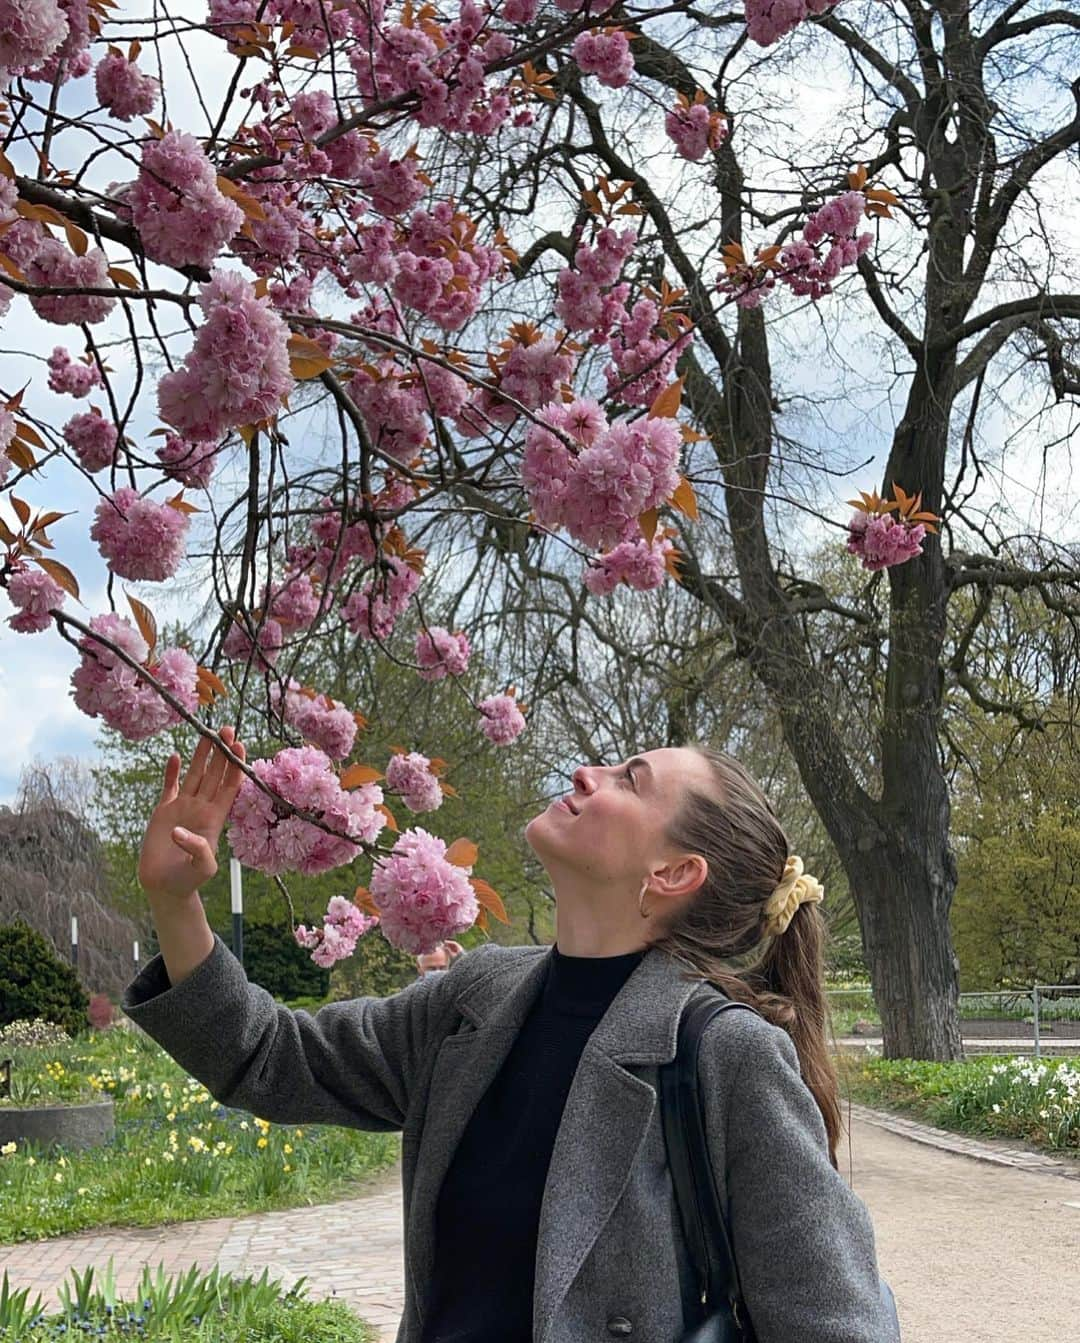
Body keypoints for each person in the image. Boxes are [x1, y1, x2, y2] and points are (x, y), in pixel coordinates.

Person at [123, 726, 899, 1343]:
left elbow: (836, 1322)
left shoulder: (725, 1052)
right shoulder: (475, 997)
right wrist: (174, 901)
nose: (587, 773)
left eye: (631, 779)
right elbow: (273, 1059)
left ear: (672, 873)